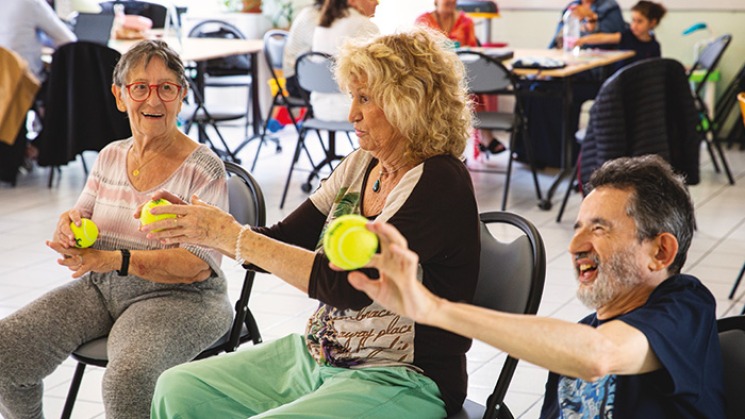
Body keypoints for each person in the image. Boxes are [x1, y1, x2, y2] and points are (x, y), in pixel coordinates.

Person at [146, 28, 480, 418]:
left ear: (408, 104)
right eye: (352, 97)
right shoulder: (361, 164)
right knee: (178, 388)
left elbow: (349, 285)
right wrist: (201, 225)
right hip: (322, 354)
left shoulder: (439, 180)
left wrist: (231, 236)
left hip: (402, 376)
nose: (351, 113)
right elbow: (285, 240)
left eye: (365, 98)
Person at [348, 155, 726, 418]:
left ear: (660, 251)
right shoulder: (582, 335)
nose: (576, 246)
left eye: (599, 228)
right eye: (577, 228)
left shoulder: (684, 307)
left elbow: (598, 357)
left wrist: (433, 309)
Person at [0, 40, 233, 419]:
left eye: (166, 88)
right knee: (6, 351)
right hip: (103, 287)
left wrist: (115, 259)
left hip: (183, 299)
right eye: (139, 87)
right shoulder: (109, 155)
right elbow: (83, 217)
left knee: (128, 378)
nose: (153, 101)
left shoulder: (203, 167)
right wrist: (69, 227)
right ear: (120, 96)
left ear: (182, 95)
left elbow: (197, 265)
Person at [415, 0, 506, 155]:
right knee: (446, 91)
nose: (451, 1)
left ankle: (463, 141)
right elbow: (419, 52)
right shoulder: (423, 21)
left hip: (461, 73)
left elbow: (473, 51)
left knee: (468, 87)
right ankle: (454, 140)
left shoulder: (466, 21)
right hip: (433, 74)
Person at [310, 0, 379, 121]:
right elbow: (378, 72)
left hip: (320, 106)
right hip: (351, 107)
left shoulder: (322, 26)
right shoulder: (363, 25)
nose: (377, 3)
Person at [577, 1, 666, 70]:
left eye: (639, 21)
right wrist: (583, 40)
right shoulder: (627, 36)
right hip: (621, 83)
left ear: (652, 23)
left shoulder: (654, 46)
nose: (634, 25)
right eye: (633, 20)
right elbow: (604, 38)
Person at [283, 0, 324, 98]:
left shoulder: (315, 13)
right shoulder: (312, 17)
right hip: (297, 82)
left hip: (305, 76)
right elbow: (322, 48)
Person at [549, 0, 626, 50]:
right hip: (568, 56)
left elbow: (612, 39)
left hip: (598, 63)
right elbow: (557, 38)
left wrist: (590, 17)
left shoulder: (610, 7)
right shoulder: (572, 7)